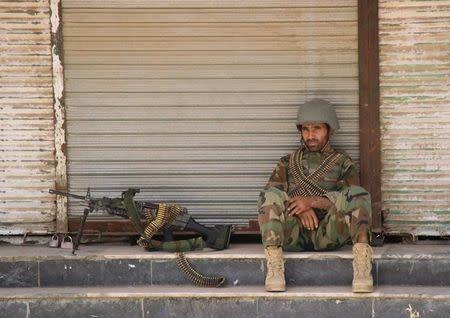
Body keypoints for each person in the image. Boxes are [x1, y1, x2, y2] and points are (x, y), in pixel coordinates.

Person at [257, 98, 373, 293]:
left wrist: (311, 202)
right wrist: (301, 209)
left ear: (329, 130)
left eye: (317, 128)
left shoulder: (342, 162)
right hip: (294, 235)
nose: (310, 135)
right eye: (305, 129)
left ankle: (362, 266)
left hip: (330, 232)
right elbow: (272, 199)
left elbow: (351, 201)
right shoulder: (287, 162)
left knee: (359, 195)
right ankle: (275, 267)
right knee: (268, 196)